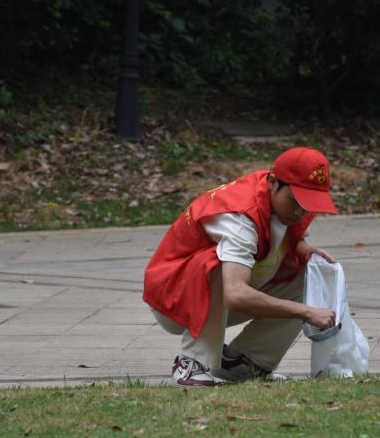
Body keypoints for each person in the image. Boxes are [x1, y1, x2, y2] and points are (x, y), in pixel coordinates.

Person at [143, 146, 338, 386]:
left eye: (308, 203)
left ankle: (246, 363)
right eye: (295, 201)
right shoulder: (240, 218)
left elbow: (284, 232)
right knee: (215, 264)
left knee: (307, 273)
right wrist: (306, 312)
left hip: (217, 300)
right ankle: (192, 362)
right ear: (273, 183)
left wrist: (303, 249)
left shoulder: (274, 196)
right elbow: (235, 295)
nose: (299, 211)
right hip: (173, 300)